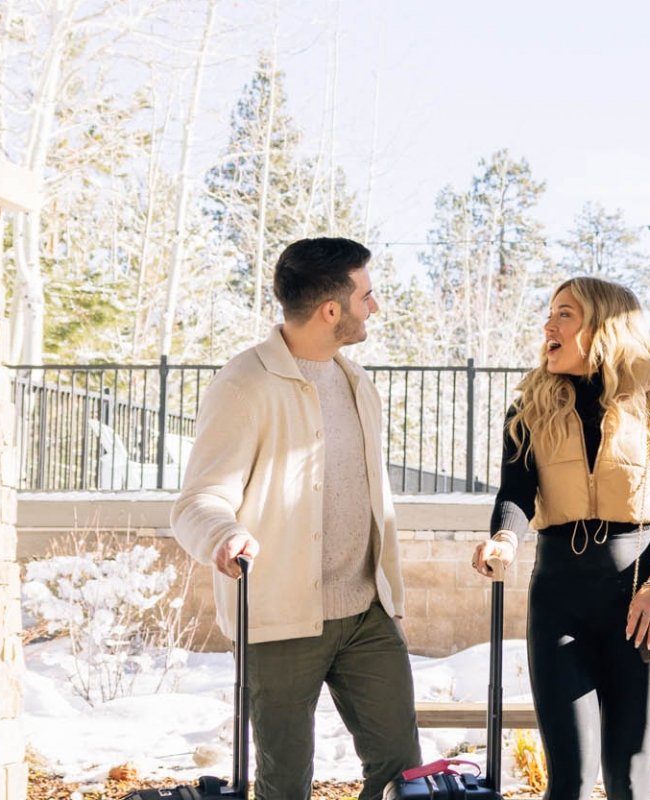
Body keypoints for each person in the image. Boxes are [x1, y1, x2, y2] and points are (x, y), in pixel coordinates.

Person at [171, 237, 419, 800]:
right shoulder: (244, 384)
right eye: (367, 296)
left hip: (366, 612)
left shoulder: (360, 384)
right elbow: (197, 500)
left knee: (403, 775)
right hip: (280, 623)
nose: (373, 308)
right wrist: (223, 533)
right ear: (332, 310)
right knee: (285, 785)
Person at [471, 277, 650, 800]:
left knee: (629, 777)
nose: (548, 326)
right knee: (571, 781)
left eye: (564, 315)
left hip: (640, 604)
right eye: (551, 313)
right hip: (558, 599)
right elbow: (514, 495)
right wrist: (504, 541)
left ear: (602, 326)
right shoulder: (530, 406)